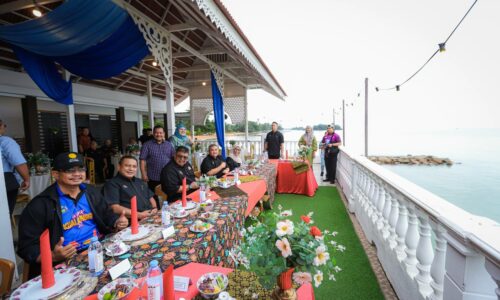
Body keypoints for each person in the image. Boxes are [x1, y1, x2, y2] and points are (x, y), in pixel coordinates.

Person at [17, 152, 128, 279]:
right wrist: (52, 256)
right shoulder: (41, 204)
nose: (77, 174)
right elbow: (26, 247)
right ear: (55, 174)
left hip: (100, 249)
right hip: (66, 261)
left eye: (81, 169)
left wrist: (117, 221)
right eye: (70, 170)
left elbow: (106, 214)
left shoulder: (91, 191)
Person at [103, 155, 158, 220]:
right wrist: (139, 215)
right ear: (119, 167)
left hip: (150, 216)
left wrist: (154, 208)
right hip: (131, 220)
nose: (131, 169)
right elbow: (115, 208)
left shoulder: (139, 181)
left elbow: (150, 197)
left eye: (134, 166)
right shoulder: (112, 183)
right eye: (127, 166)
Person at [0, 119, 30, 217]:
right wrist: (26, 179)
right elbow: (18, 162)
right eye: (4, 125)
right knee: (4, 215)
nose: (5, 127)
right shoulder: (5, 141)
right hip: (5, 180)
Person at [139, 125, 175, 193]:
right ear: (153, 133)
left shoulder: (169, 145)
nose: (158, 134)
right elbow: (142, 160)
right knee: (154, 196)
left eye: (160, 133)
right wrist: (143, 174)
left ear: (164, 134)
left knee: (168, 195)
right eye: (156, 132)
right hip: (153, 177)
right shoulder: (146, 145)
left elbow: (173, 159)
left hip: (167, 176)